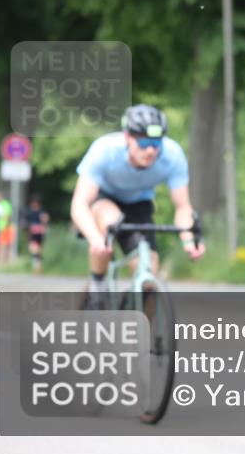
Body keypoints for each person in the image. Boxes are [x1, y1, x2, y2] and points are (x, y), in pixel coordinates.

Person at [71, 104, 205, 309]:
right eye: (143, 142)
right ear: (127, 137)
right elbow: (80, 203)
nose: (151, 150)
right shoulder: (104, 150)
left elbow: (182, 207)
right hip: (103, 199)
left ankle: (137, 315)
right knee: (110, 221)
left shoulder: (173, 156)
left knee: (148, 271)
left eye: (156, 142)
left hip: (139, 204)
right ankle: (97, 287)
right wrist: (95, 238)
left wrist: (188, 241)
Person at [25, 194, 51, 274]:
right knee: (33, 250)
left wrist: (44, 225)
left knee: (38, 251)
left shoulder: (42, 210)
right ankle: (36, 266)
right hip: (31, 233)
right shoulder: (29, 211)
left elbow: (46, 219)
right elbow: (26, 222)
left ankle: (37, 267)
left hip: (39, 233)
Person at [0, 192, 14, 265]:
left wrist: (5, 226)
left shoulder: (5, 204)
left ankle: (3, 261)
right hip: (0, 227)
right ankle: (2, 260)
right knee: (2, 244)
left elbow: (8, 216)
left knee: (4, 244)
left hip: (5, 227)